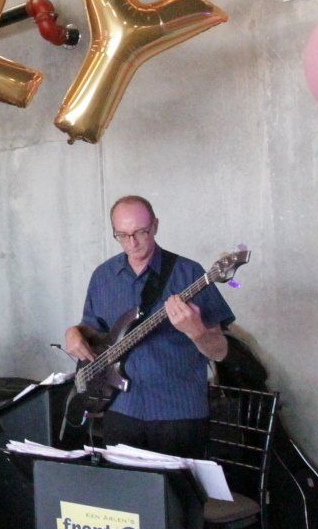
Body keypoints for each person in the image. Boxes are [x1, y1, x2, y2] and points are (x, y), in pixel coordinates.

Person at [62, 195, 232, 458]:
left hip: (178, 413)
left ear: (155, 226)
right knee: (127, 497)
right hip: (120, 410)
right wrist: (74, 333)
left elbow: (220, 351)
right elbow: (93, 332)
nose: (133, 242)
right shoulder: (103, 276)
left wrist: (195, 331)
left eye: (140, 232)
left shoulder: (190, 274)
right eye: (123, 235)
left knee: (178, 497)